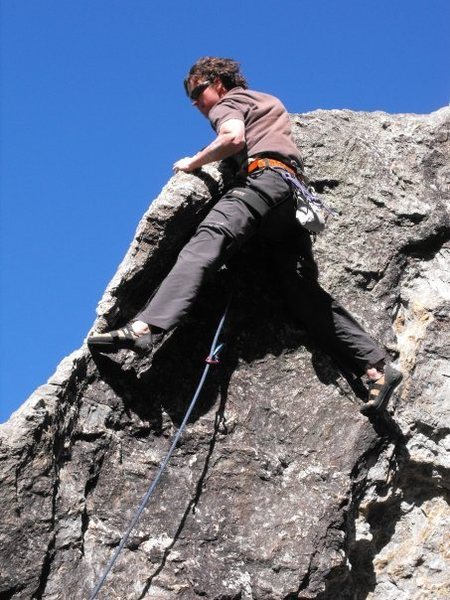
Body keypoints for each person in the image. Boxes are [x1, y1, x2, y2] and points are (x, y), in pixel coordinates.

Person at [88, 56, 402, 414]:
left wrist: (193, 162)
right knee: (299, 293)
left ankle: (146, 327)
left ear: (219, 83)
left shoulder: (229, 103)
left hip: (262, 182)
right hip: (290, 196)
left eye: (197, 92)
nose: (195, 103)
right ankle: (375, 366)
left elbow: (233, 137)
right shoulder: (268, 102)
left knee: (203, 246)